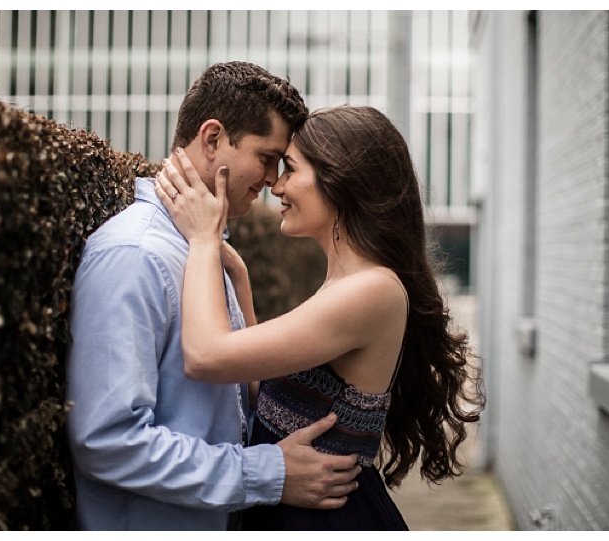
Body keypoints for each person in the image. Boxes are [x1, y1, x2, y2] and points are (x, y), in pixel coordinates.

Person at [154, 105, 486, 530]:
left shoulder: (372, 290)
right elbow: (267, 393)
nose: (276, 185)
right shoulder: (346, 283)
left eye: (289, 169)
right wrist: (240, 283)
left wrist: (203, 239)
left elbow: (205, 356)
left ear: (341, 181)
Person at [65, 63, 362, 531]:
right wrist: (266, 473)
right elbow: (108, 441)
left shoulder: (202, 249)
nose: (271, 180)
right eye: (267, 157)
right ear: (212, 139)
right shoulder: (136, 255)